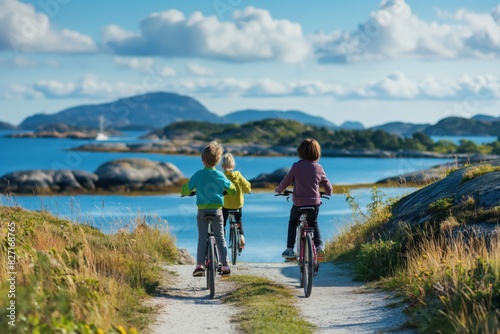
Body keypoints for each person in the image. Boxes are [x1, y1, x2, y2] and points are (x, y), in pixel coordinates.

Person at [181, 141, 236, 277]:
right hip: (217, 211)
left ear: (202, 160)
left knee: (202, 237)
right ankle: (225, 265)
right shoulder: (221, 175)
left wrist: (185, 191)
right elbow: (233, 189)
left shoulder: (198, 175)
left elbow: (186, 189)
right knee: (220, 238)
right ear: (217, 161)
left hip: (202, 211)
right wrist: (228, 191)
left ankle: (199, 265)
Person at [275, 138, 333, 262]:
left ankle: (290, 249)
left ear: (300, 152)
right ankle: (319, 246)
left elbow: (286, 180)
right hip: (314, 204)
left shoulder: (296, 166)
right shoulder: (319, 168)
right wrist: (328, 192)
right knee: (314, 223)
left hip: (298, 203)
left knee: (293, 222)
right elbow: (327, 185)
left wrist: (279, 190)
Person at [221, 153, 251, 251]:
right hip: (237, 204)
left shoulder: (221, 176)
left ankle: (221, 236)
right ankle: (241, 235)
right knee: (238, 220)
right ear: (233, 165)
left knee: (222, 221)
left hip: (225, 205)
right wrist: (247, 191)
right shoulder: (238, 175)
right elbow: (246, 186)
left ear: (222, 166)